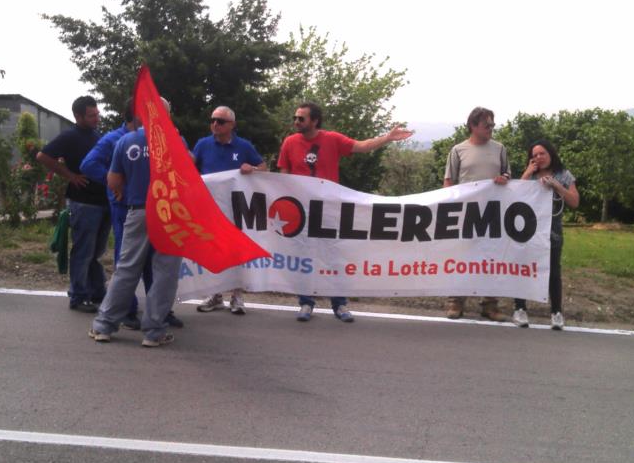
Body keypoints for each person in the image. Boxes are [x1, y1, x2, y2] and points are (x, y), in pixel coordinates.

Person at [278, 102, 413, 322]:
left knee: (333, 257)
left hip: (329, 209)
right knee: (304, 257)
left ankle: (339, 304)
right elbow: (283, 174)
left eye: (301, 118)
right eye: (295, 118)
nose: (296, 122)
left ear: (314, 121)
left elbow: (362, 146)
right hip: (301, 212)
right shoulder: (289, 142)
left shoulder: (332, 139)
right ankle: (306, 303)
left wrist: (387, 138)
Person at [79, 99, 184, 330]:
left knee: (142, 266)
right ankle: (134, 315)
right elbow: (89, 164)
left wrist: (118, 182)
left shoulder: (129, 140)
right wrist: (121, 187)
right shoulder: (115, 139)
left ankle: (145, 315)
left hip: (140, 210)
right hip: (130, 208)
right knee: (140, 265)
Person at [36, 96, 111, 313]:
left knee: (97, 251)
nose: (96, 118)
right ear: (78, 116)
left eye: (97, 114)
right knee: (83, 251)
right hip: (83, 202)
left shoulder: (97, 136)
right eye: (91, 115)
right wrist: (70, 176)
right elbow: (43, 156)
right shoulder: (70, 136)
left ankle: (97, 291)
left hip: (103, 201)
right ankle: (78, 295)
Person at [192, 105, 267, 315]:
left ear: (232, 125)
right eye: (213, 120)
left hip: (235, 210)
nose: (215, 124)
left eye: (220, 121)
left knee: (235, 251)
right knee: (213, 251)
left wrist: (251, 169)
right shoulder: (203, 144)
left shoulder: (243, 146)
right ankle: (215, 295)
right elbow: (191, 169)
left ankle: (237, 295)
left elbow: (263, 167)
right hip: (210, 209)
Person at [442, 106, 511, 321]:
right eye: (486, 125)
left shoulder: (500, 148)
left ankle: (490, 305)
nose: (491, 128)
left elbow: (508, 174)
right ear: (473, 126)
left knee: (491, 258)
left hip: (492, 213)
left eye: (492, 124)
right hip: (466, 213)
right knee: (462, 258)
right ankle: (456, 302)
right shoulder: (457, 150)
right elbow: (448, 181)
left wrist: (505, 177)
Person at [513, 140, 579, 330]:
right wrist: (527, 172)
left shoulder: (563, 174)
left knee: (553, 271)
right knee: (523, 267)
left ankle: (556, 312)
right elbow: (514, 194)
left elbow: (574, 201)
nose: (539, 158)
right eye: (535, 155)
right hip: (527, 230)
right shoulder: (530, 175)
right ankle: (519, 308)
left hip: (552, 232)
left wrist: (557, 186)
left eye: (542, 154)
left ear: (551, 154)